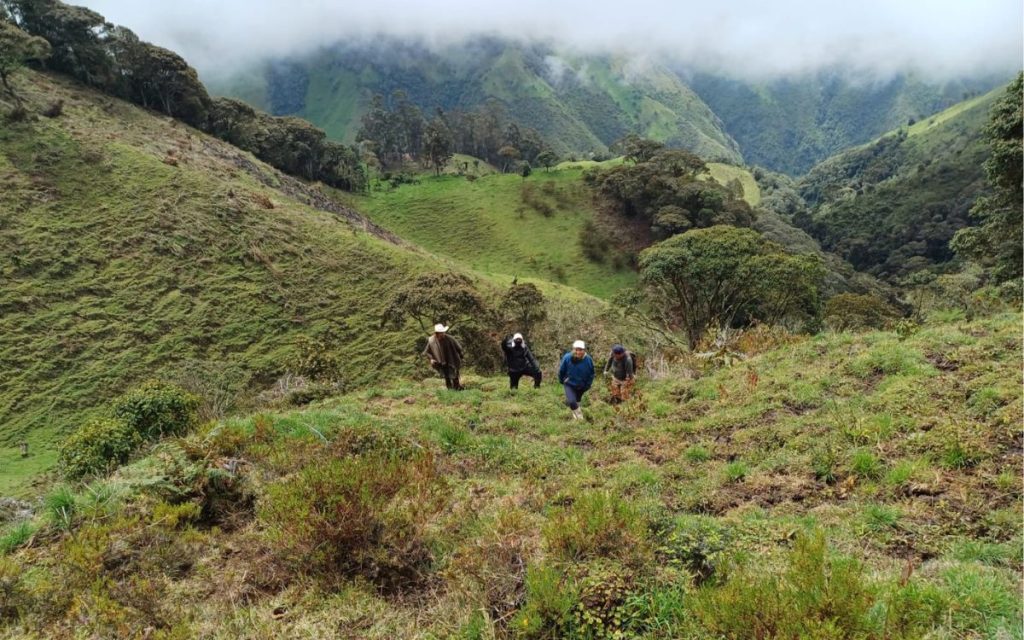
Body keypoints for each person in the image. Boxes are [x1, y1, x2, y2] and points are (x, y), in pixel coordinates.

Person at [558, 340, 595, 420]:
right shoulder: (567, 357)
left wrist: (587, 385)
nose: (578, 352)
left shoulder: (588, 360)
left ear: (584, 350)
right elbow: (561, 370)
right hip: (569, 384)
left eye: (580, 350)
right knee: (572, 401)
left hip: (581, 386)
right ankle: (580, 418)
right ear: (573, 349)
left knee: (577, 401)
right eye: (576, 349)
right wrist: (562, 380)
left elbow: (591, 374)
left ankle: (575, 416)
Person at [423, 324, 464, 390]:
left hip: (452, 359)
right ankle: (450, 390)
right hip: (441, 362)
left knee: (454, 375)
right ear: (437, 333)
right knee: (446, 376)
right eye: (441, 333)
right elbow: (427, 352)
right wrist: (431, 359)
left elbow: (458, 347)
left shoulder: (450, 339)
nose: (442, 334)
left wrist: (460, 356)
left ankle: (457, 388)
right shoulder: (431, 340)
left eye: (443, 332)